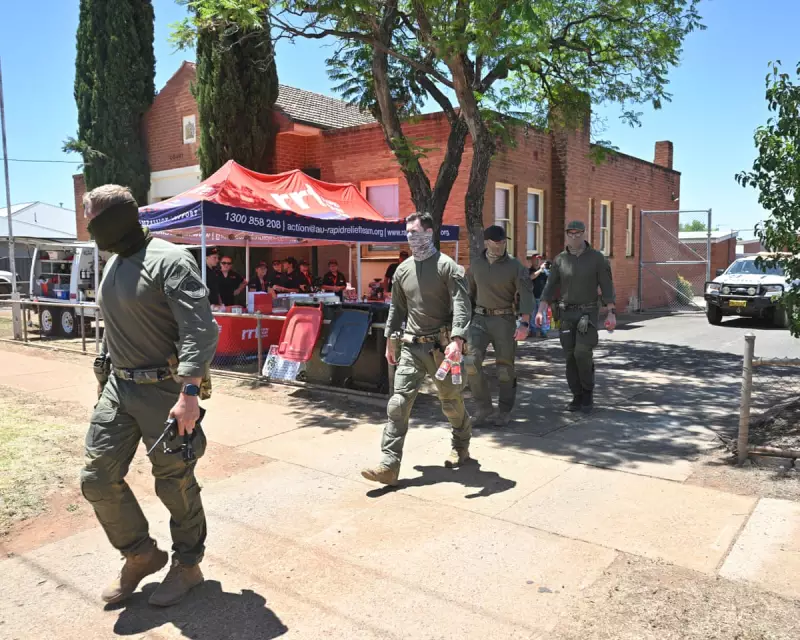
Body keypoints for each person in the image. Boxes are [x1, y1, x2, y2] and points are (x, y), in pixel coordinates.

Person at [80, 184, 218, 607]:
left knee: (174, 482)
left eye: (92, 220)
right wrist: (104, 376)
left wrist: (189, 393)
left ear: (115, 219)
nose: (88, 229)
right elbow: (116, 324)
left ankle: (188, 566)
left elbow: (201, 328)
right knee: (97, 478)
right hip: (119, 388)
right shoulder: (114, 264)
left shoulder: (170, 260)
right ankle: (140, 554)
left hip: (165, 390)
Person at [361, 212, 472, 486]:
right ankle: (389, 465)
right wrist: (390, 340)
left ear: (430, 232)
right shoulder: (402, 270)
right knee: (398, 404)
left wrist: (457, 340)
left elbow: (461, 304)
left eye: (416, 232)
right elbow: (397, 309)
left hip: (441, 349)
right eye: (408, 232)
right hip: (411, 347)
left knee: (450, 403)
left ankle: (460, 444)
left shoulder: (448, 267)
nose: (411, 237)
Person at [536, 220, 616, 413]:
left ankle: (587, 392)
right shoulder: (560, 260)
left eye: (578, 233)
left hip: (587, 313)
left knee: (582, 352)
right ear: (567, 235)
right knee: (570, 355)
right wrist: (541, 309)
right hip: (566, 313)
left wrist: (611, 312)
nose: (574, 237)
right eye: (570, 233)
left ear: (584, 234)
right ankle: (576, 395)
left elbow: (606, 285)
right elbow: (550, 286)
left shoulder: (597, 258)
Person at [464, 225, 534, 427]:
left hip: (505, 321)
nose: (501, 245)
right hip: (479, 320)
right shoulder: (476, 265)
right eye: (497, 242)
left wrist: (525, 323)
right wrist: (461, 324)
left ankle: (504, 410)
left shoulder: (515, 266)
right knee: (470, 361)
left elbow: (526, 294)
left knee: (505, 368)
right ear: (486, 243)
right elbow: (468, 295)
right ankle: (483, 407)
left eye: (504, 242)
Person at [529, 255, 550, 338]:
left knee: (543, 314)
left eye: (539, 260)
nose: (537, 261)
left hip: (542, 297)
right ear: (532, 261)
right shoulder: (529, 270)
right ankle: (533, 331)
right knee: (533, 314)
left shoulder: (545, 272)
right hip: (532, 296)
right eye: (535, 260)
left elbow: (550, 281)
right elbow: (531, 277)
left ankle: (543, 331)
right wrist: (540, 270)